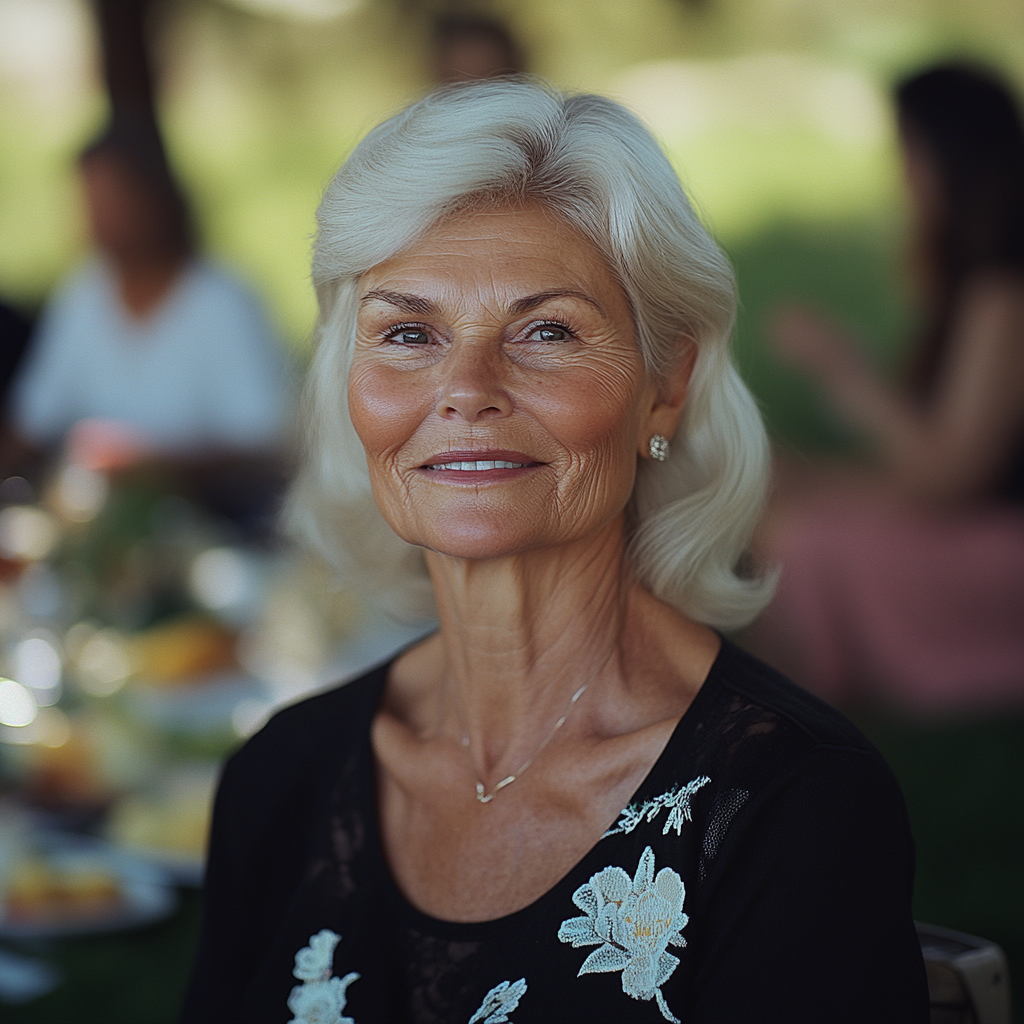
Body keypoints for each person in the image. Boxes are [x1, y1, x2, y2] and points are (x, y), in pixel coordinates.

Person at [180, 81, 927, 1023]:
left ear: (666, 384)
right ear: (348, 379)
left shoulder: (796, 807)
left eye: (546, 331)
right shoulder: (280, 779)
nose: (465, 390)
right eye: (409, 332)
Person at [755, 63, 1024, 711]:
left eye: (909, 154)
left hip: (1002, 549)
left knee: (795, 535)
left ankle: (788, 718)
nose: (901, 177)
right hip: (982, 518)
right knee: (773, 484)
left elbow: (951, 476)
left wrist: (842, 368)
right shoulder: (973, 285)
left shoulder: (1004, 293)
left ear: (952, 161)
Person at [1, 117, 292, 521]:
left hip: (213, 523)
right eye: (90, 200)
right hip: (97, 522)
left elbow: (263, 445)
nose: (99, 217)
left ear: (156, 198)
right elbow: (35, 420)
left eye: (114, 198)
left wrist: (153, 467)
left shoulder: (223, 301)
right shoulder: (82, 294)